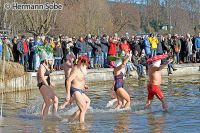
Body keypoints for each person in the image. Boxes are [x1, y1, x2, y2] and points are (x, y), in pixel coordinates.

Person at [65, 55, 90, 123]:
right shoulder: (76, 69)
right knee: (83, 109)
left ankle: (71, 118)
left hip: (80, 90)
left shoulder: (82, 69)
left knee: (87, 102)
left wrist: (84, 85)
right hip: (75, 90)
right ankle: (81, 125)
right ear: (81, 62)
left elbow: (80, 79)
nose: (86, 64)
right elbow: (68, 80)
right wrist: (68, 95)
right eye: (85, 63)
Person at [37, 52, 59, 120]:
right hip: (43, 85)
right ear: (46, 59)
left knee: (56, 99)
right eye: (50, 60)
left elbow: (47, 76)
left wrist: (51, 83)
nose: (51, 61)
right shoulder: (41, 66)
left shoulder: (47, 66)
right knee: (48, 102)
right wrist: (48, 85)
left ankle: (54, 114)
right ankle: (44, 119)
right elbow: (42, 77)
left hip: (47, 84)